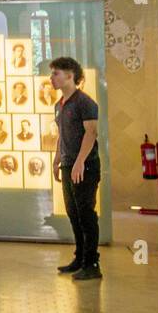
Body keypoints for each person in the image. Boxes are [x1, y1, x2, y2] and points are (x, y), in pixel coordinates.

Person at [50, 56, 102, 280]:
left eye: (56, 73)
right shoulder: (59, 105)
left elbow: (91, 133)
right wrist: (56, 159)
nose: (51, 78)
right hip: (68, 165)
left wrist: (80, 161)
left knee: (86, 214)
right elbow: (62, 135)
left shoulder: (85, 102)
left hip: (86, 166)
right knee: (73, 213)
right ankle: (80, 257)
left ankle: (92, 264)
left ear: (70, 75)